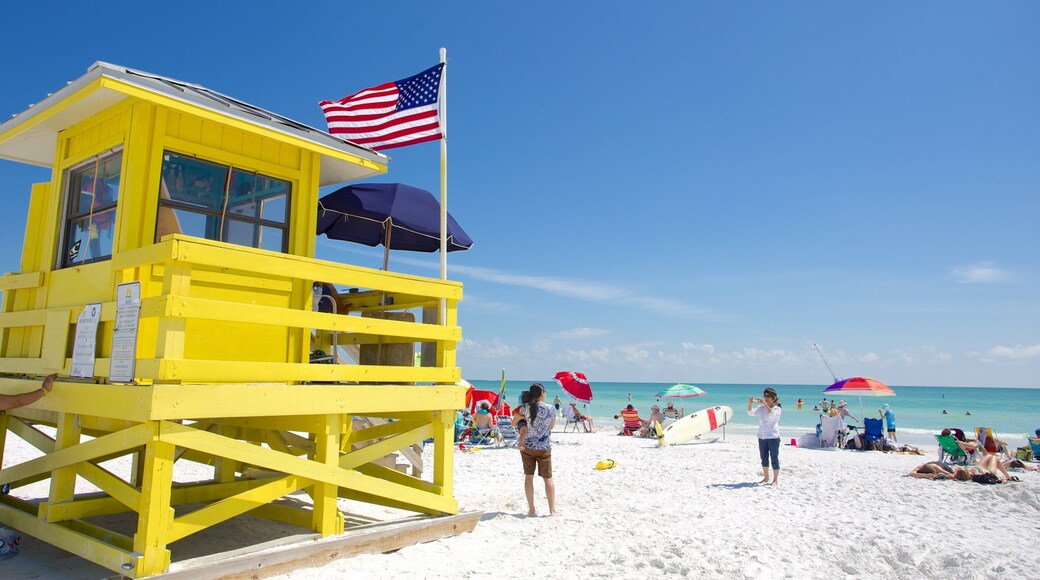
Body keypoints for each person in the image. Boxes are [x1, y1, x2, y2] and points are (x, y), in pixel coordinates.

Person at [520, 383, 556, 516]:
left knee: (528, 477)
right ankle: (552, 510)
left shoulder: (526, 407)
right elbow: (551, 427)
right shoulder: (551, 408)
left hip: (527, 447)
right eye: (545, 391)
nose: (545, 393)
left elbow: (520, 421)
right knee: (548, 478)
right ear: (541, 393)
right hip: (544, 447)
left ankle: (531, 509)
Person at [748, 387, 782, 486]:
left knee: (774, 457)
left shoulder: (777, 409)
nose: (766, 398)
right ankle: (766, 477)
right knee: (764, 457)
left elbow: (771, 415)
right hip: (762, 435)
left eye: (768, 396)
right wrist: (750, 403)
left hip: (773, 436)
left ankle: (775, 480)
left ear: (773, 398)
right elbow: (750, 413)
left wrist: (764, 403)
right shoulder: (761, 408)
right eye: (765, 396)